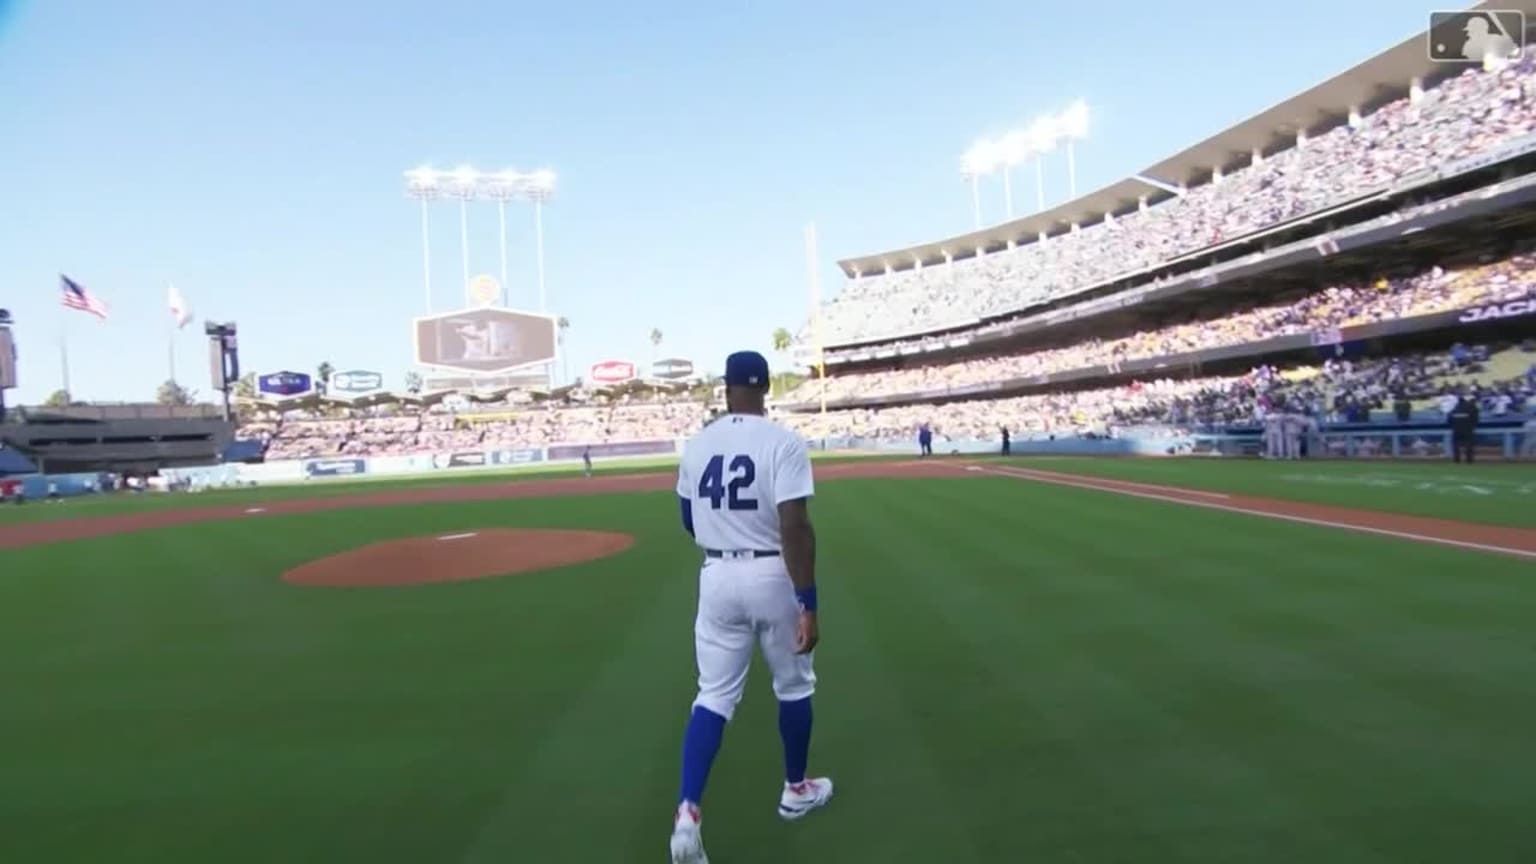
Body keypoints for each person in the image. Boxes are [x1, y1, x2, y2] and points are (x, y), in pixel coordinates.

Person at [668, 350, 831, 864]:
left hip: (716, 574)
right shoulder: (782, 442)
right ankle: (794, 788)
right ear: (765, 390)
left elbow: (688, 520)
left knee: (713, 695)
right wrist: (808, 601)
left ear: (727, 388)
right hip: (771, 573)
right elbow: (795, 527)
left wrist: (724, 537)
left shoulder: (698, 445)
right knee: (793, 685)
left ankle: (687, 815)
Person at [1448, 393, 1480, 463]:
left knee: (1456, 445)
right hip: (1467, 429)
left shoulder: (1454, 408)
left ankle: (1457, 460)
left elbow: (1449, 419)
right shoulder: (1472, 407)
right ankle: (1469, 460)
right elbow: (1475, 419)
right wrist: (1472, 426)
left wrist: (1453, 426)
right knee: (1469, 444)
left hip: (1456, 429)